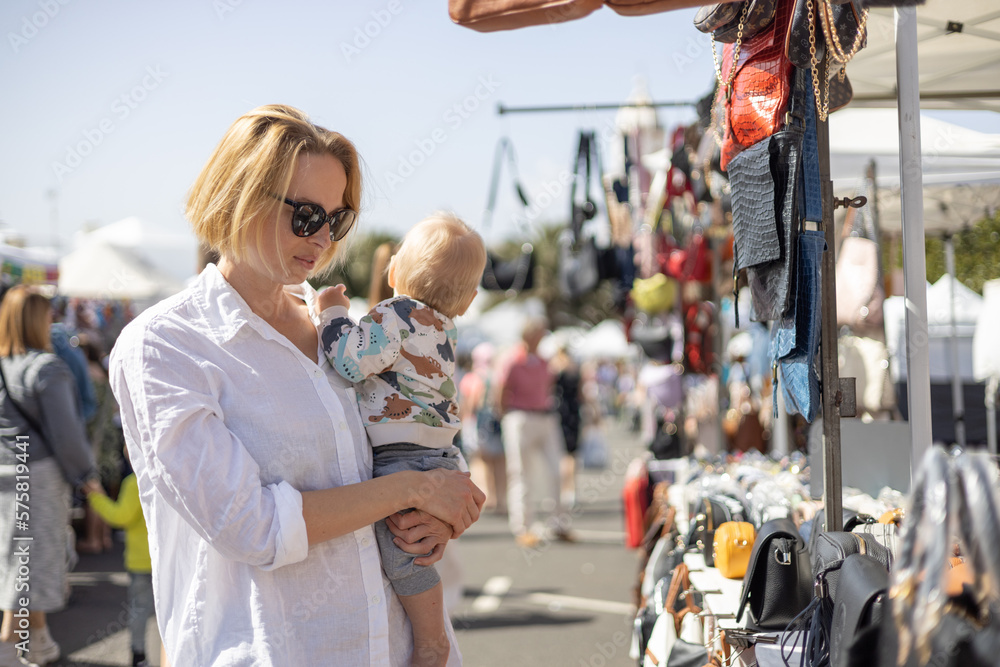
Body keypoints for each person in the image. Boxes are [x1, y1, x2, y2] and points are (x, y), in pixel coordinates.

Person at [108, 104, 484, 666]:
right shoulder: (166, 345)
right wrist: (415, 491)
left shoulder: (342, 328)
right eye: (306, 215)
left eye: (338, 219)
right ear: (240, 196)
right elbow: (251, 527)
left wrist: (446, 508)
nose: (324, 238)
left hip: (396, 648)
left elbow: (409, 434)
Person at [316, 212, 487, 666]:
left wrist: (332, 314)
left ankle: (432, 639)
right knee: (414, 546)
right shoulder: (445, 328)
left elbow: (350, 361)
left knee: (402, 556)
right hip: (441, 454)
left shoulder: (394, 314)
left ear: (393, 273)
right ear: (469, 300)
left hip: (402, 456)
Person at [0, 285, 98, 667]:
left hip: (6, 471)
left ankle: (38, 641)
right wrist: (86, 474)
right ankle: (10, 648)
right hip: (38, 475)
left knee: (16, 559)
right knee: (30, 567)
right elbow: (67, 434)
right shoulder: (46, 368)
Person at [495, 317, 570, 548]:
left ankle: (558, 523)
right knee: (521, 474)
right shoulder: (512, 359)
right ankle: (523, 527)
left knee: (556, 472)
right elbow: (501, 390)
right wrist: (505, 416)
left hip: (544, 416)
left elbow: (556, 378)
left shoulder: (544, 361)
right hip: (521, 416)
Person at [84, 450, 155, 667]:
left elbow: (120, 517)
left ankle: (139, 655)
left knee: (139, 610)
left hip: (141, 561)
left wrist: (96, 497)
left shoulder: (135, 482)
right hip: (167, 562)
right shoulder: (167, 476)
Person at [459, 342, 507, 514]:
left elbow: (470, 403)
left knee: (481, 460)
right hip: (497, 422)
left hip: (479, 423)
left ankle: (487, 496)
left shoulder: (472, 378)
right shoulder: (497, 376)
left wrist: (463, 422)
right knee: (500, 461)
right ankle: (502, 498)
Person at [549, 346, 582, 509]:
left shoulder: (555, 368)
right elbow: (581, 393)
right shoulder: (575, 368)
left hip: (559, 412)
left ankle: (563, 490)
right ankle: (570, 489)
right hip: (573, 412)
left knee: (561, 454)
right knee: (571, 454)